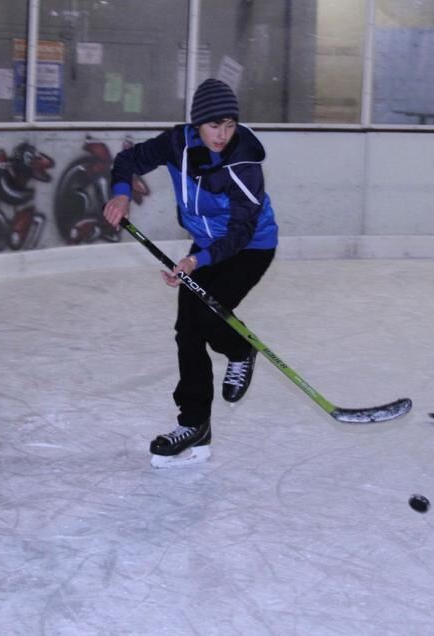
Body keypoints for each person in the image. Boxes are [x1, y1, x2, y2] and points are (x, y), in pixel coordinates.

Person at [102, 78, 279, 467]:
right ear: (197, 123)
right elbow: (129, 160)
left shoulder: (245, 165)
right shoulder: (177, 143)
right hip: (204, 246)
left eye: (230, 125)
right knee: (188, 329)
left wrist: (195, 262)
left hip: (249, 247)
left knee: (206, 316)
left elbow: (240, 232)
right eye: (214, 125)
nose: (223, 135)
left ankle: (239, 349)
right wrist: (121, 192)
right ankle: (195, 424)